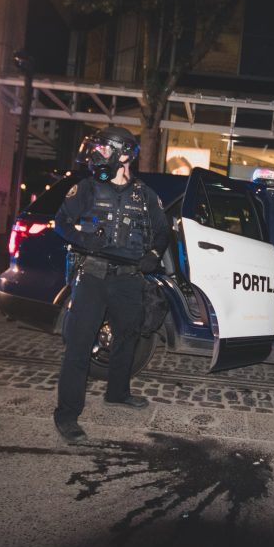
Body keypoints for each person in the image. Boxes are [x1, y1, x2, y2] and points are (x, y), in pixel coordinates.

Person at [52, 126, 170, 442]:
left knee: (127, 337)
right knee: (78, 346)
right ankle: (67, 415)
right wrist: (83, 238)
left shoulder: (145, 195)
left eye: (104, 149)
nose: (97, 154)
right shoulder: (88, 188)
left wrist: (154, 254)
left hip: (129, 279)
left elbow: (163, 230)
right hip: (92, 275)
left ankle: (117, 392)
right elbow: (60, 223)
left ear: (124, 154)